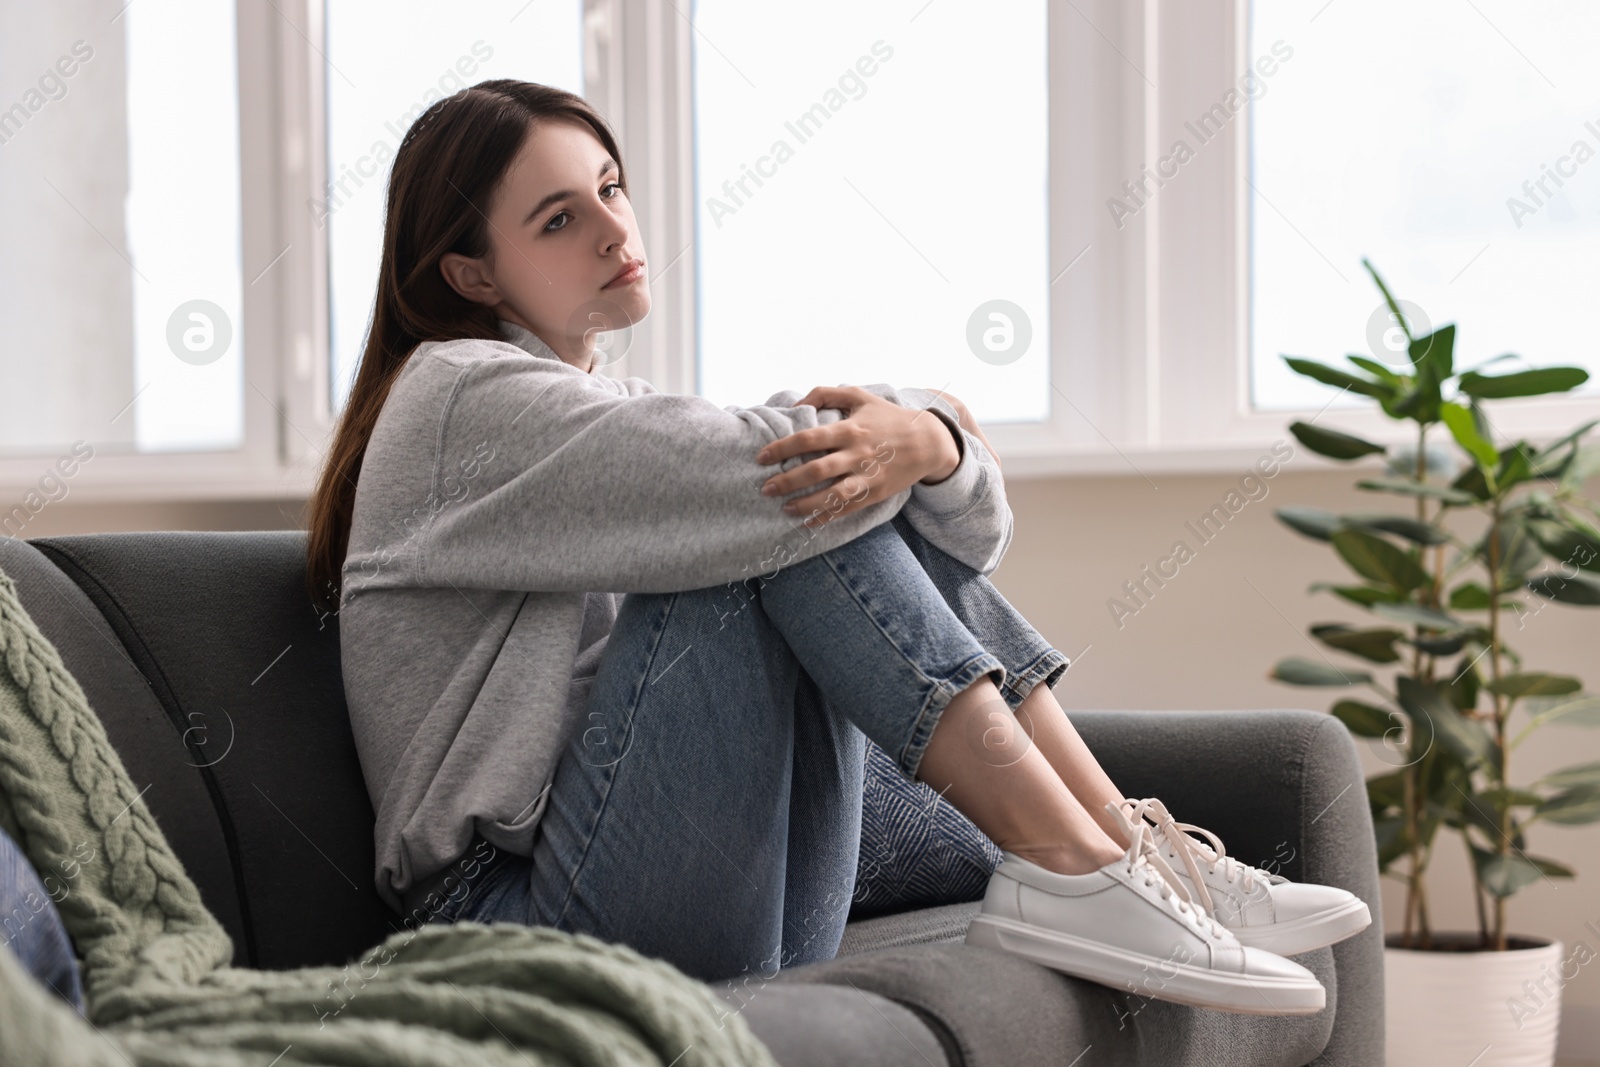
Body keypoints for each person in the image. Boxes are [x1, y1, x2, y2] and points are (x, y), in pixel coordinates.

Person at [304, 79, 1368, 1015]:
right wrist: (919, 433)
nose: (612, 226)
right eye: (556, 217)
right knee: (791, 504)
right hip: (511, 926)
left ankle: (1127, 852)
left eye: (612, 186)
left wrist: (932, 444)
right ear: (472, 274)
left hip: (681, 881)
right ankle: (1075, 862)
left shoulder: (603, 411)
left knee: (819, 491)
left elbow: (968, 528)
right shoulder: (457, 398)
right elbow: (782, 472)